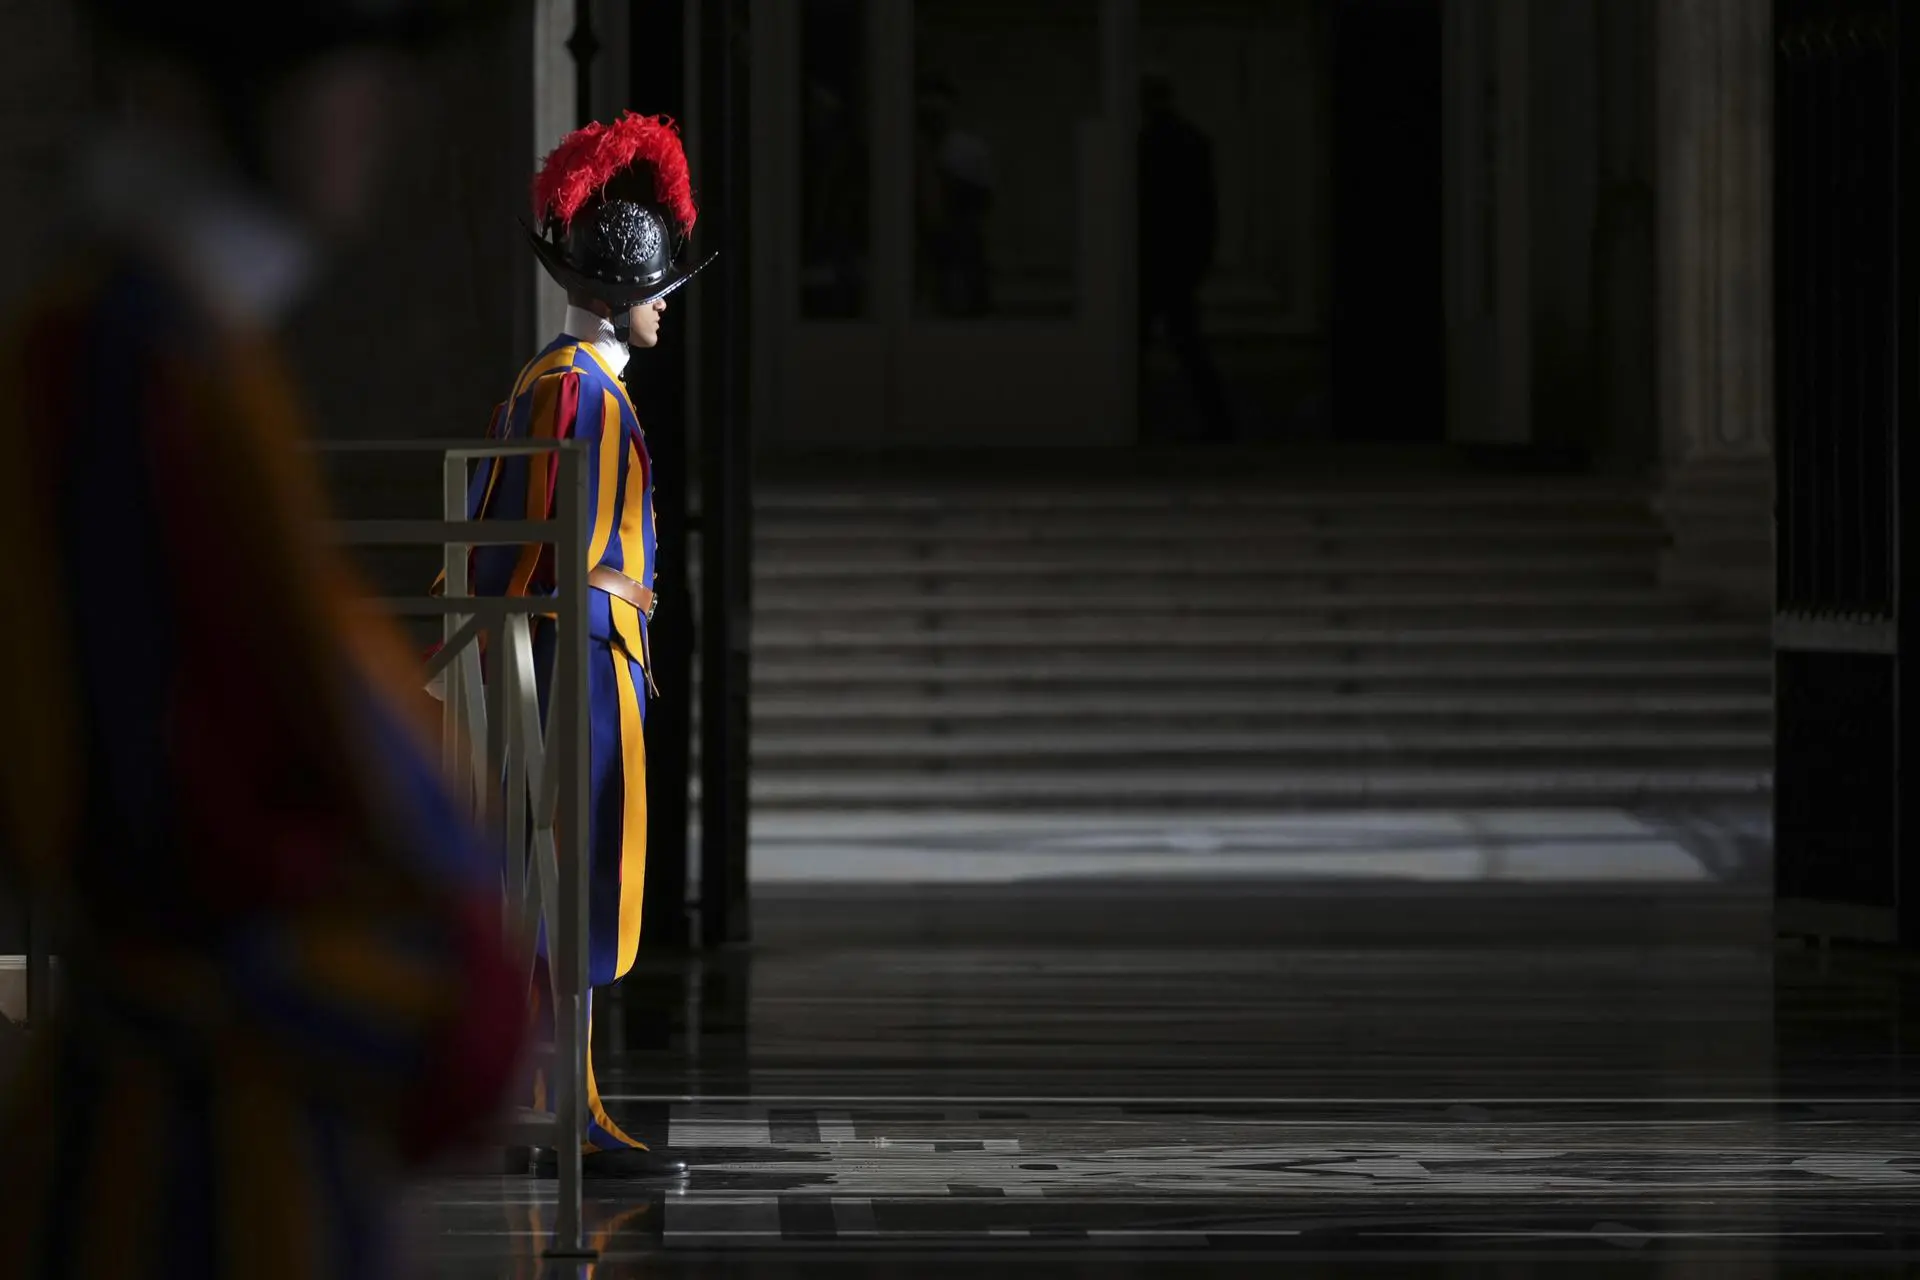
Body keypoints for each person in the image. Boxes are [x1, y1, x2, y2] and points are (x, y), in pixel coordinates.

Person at [0, 4, 526, 1278]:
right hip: (202, 1169)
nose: (384, 114)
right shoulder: (143, 358)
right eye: (353, 63)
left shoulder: (173, 342)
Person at [451, 111, 713, 1180]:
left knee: (576, 884)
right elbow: (519, 549)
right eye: (654, 290)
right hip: (573, 660)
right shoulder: (570, 387)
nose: (662, 307)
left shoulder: (571, 380)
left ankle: (564, 1102)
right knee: (569, 881)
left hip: (587, 651)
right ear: (614, 291)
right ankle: (561, 1110)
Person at [1138, 74, 1235, 441]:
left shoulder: (1143, 144)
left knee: (1145, 346)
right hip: (1179, 260)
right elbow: (1205, 209)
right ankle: (1219, 423)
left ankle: (1131, 420)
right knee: (1189, 345)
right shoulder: (1193, 141)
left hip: (1152, 259)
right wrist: (1200, 258)